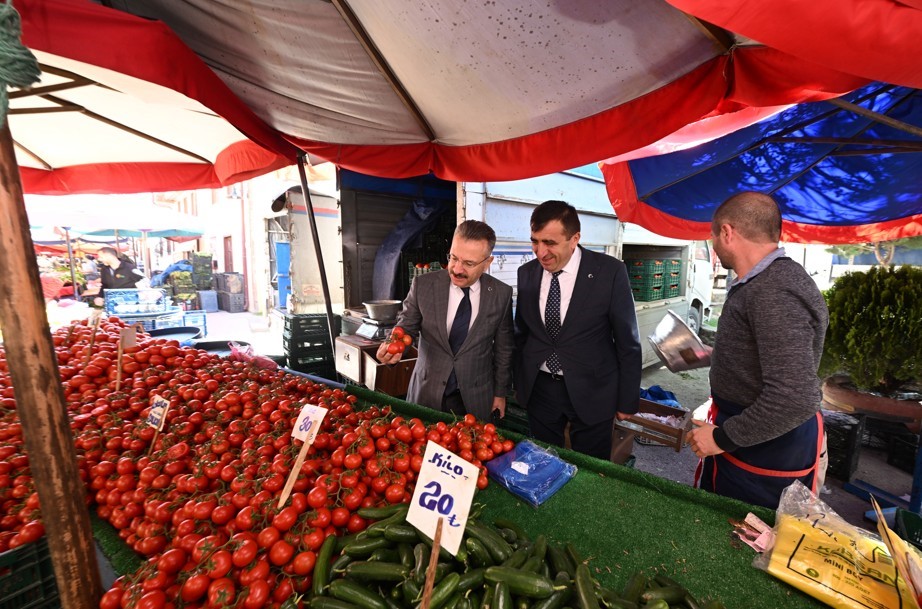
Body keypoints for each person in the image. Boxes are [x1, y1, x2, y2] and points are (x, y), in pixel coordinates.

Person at [686, 191, 828, 509]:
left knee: (744, 540)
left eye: (713, 236)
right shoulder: (760, 282)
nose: (714, 246)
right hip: (751, 438)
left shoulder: (774, 289)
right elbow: (769, 353)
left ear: (727, 232)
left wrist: (721, 439)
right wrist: (716, 356)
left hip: (768, 449)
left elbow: (794, 397)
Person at [514, 200, 642, 460]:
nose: (541, 253)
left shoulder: (609, 272)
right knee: (543, 461)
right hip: (540, 390)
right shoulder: (526, 273)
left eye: (550, 243)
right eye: (535, 241)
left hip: (593, 390)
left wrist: (627, 400)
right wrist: (519, 383)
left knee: (591, 469)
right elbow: (522, 334)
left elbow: (628, 341)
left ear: (574, 239)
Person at [376, 220, 514, 421]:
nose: (457, 269)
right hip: (426, 393)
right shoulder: (423, 285)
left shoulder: (501, 294)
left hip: (476, 398)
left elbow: (504, 349)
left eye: (468, 263)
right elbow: (406, 326)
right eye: (453, 258)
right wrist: (393, 346)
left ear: (487, 262)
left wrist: (500, 393)